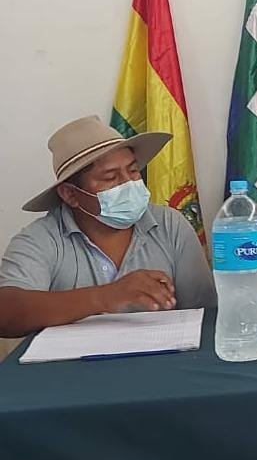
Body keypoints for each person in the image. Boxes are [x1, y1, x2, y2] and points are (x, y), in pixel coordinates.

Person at [0, 116, 215, 337]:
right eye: (110, 177)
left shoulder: (170, 225)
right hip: (75, 359)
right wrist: (105, 297)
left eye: (133, 171)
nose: (128, 183)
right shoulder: (41, 239)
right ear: (70, 194)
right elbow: (6, 314)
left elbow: (205, 312)